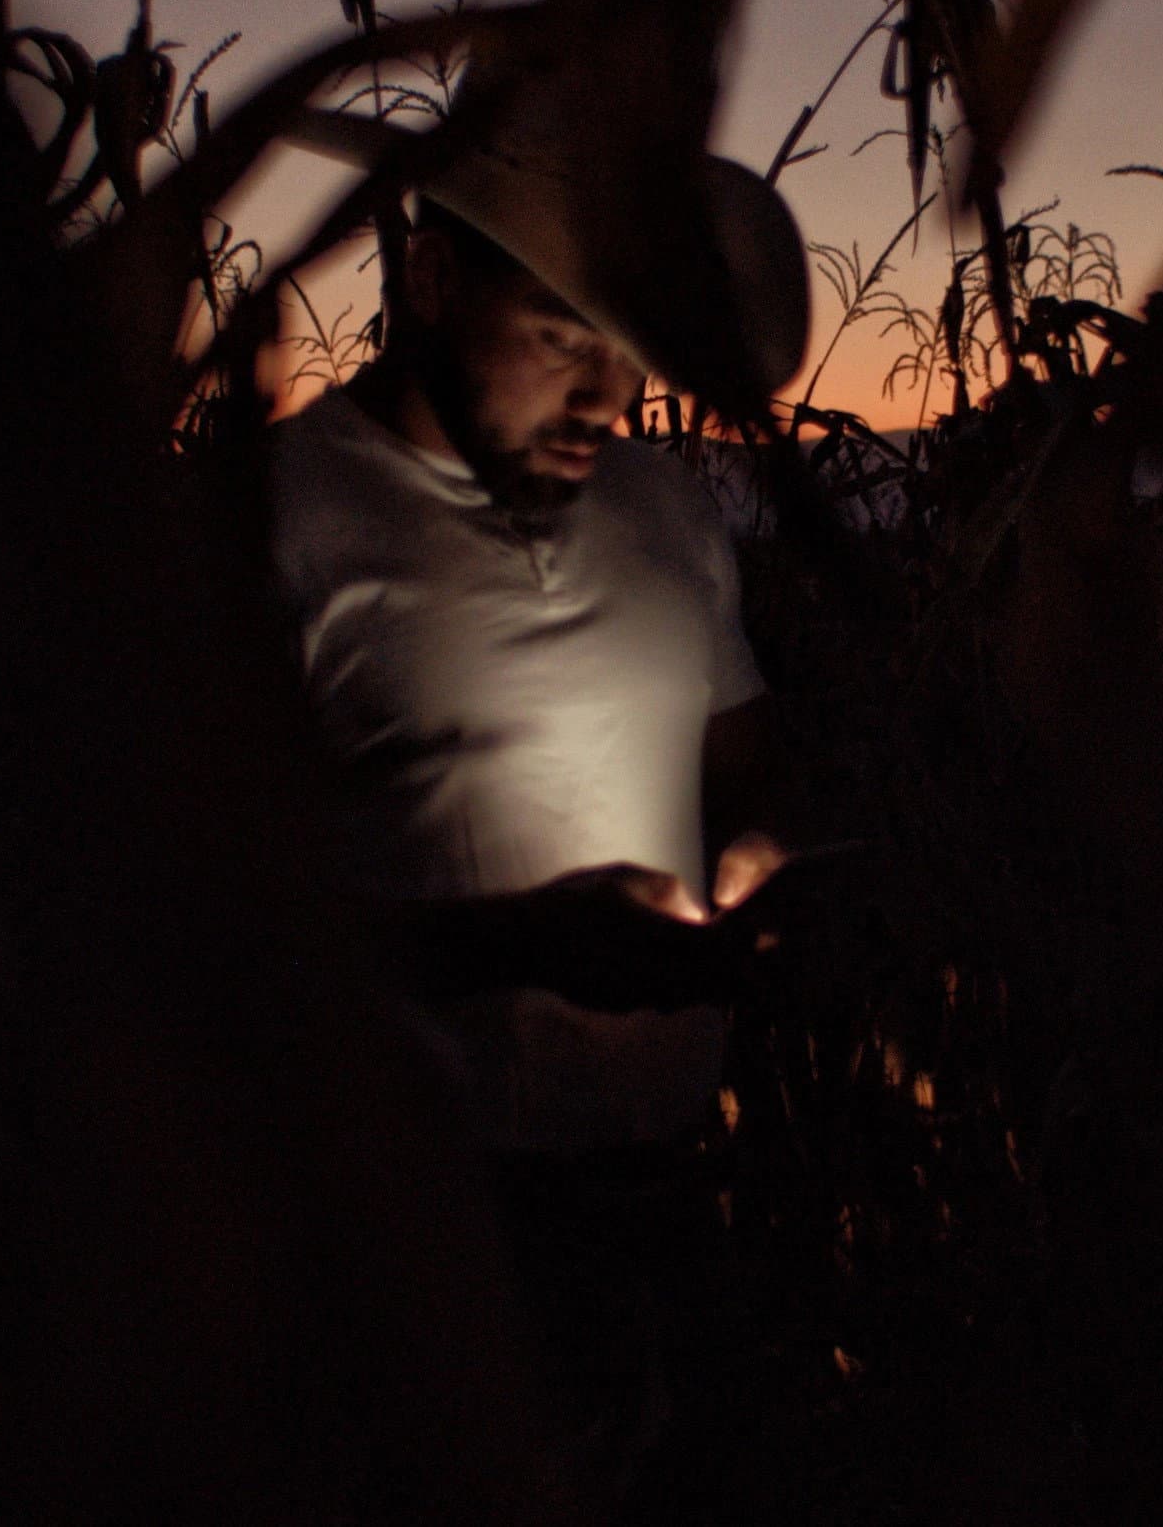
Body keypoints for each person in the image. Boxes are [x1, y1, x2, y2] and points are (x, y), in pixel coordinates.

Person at [262, 122, 813, 1493]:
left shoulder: (668, 509)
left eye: (630, 352)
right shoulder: (275, 528)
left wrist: (764, 865)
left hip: (677, 1199)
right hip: (424, 1232)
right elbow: (206, 925)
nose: (609, 397)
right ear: (435, 284)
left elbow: (743, 769)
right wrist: (518, 945)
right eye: (565, 337)